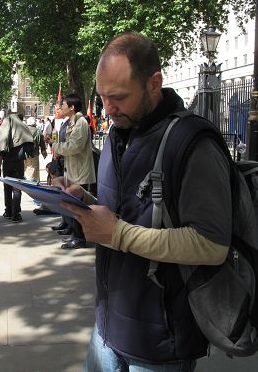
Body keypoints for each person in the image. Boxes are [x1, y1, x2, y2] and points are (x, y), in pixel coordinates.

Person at [58, 32, 231, 372]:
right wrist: (84, 200)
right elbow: (123, 214)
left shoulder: (193, 141)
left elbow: (212, 244)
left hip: (159, 344)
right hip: (107, 325)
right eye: (103, 97)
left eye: (119, 97)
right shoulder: (115, 134)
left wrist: (117, 234)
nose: (108, 108)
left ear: (154, 83)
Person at [53, 93, 96, 249]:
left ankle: (80, 238)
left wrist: (56, 146)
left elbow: (74, 147)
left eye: (63, 105)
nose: (60, 108)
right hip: (72, 171)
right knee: (71, 206)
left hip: (81, 174)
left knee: (78, 208)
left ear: (72, 107)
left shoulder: (81, 122)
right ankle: (75, 234)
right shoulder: (73, 122)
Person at [0, 111, 34, 223]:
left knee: (7, 188)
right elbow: (30, 147)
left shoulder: (4, 133)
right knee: (17, 188)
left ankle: (8, 211)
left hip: (7, 164)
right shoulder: (22, 132)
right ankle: (16, 214)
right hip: (18, 164)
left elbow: (0, 152)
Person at [24, 116, 47, 182]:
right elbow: (42, 144)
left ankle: (26, 182)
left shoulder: (24, 130)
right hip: (35, 154)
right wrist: (44, 153)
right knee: (34, 169)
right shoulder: (38, 131)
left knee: (26, 168)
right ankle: (33, 183)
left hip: (25, 154)